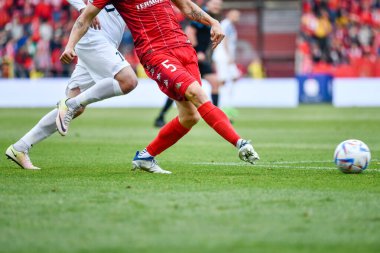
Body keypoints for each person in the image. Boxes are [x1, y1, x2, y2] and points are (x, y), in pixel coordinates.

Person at [60, 0, 260, 174]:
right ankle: (240, 143)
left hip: (183, 48)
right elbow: (85, 17)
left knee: (190, 117)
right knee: (197, 93)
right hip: (155, 52)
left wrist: (214, 22)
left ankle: (145, 157)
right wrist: (70, 46)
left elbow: (187, 7)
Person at [5, 0, 138, 170]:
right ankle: (69, 105)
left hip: (103, 43)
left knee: (76, 107)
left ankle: (20, 148)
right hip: (93, 40)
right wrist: (84, 8)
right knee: (128, 81)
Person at [153, 0, 223, 128]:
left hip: (201, 59)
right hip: (193, 56)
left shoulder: (213, 19)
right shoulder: (202, 17)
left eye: (219, 4)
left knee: (214, 83)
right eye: (214, 4)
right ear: (207, 5)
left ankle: (216, 116)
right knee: (182, 90)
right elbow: (190, 31)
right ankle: (161, 116)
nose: (217, 6)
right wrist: (198, 50)